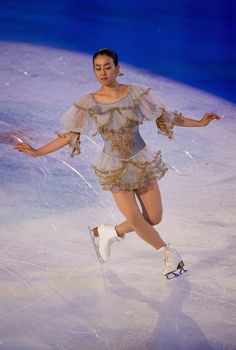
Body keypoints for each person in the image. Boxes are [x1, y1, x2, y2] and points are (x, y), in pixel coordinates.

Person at [15, 48, 220, 278]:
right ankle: (168, 253)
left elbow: (167, 116)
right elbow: (68, 135)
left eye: (107, 67)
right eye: (97, 68)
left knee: (153, 219)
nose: (102, 72)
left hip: (141, 161)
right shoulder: (89, 102)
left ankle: (108, 232)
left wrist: (200, 123)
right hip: (114, 166)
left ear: (117, 68)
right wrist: (36, 152)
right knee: (135, 218)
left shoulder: (136, 94)